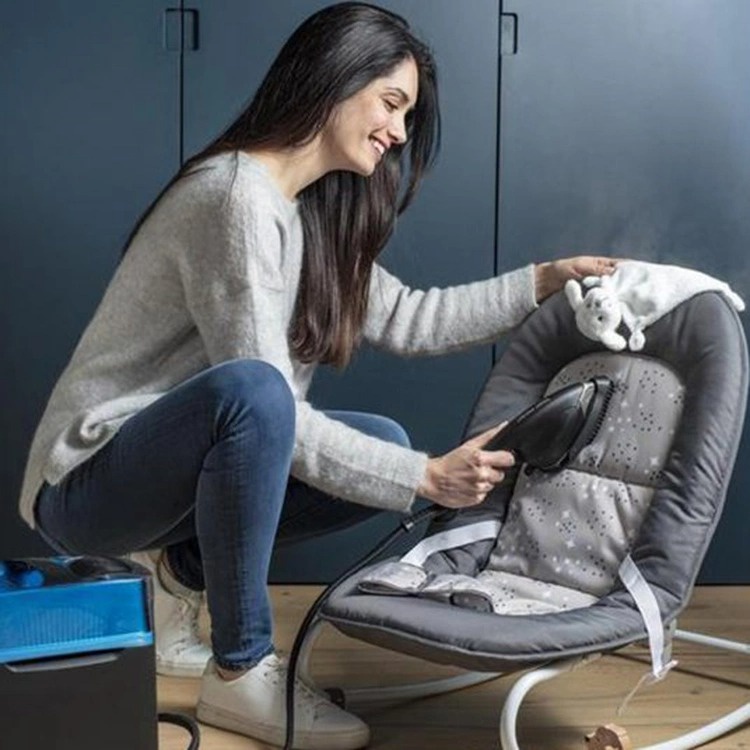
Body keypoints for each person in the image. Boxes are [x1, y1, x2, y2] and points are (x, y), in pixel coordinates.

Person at [18, 3, 616, 748]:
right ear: (335, 79)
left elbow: (413, 318)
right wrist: (427, 477)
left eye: (407, 115)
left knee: (378, 439)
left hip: (160, 478)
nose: (399, 132)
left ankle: (179, 573)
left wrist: (545, 280)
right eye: (391, 103)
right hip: (84, 487)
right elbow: (263, 404)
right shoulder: (234, 198)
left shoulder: (301, 213)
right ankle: (240, 670)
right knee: (261, 395)